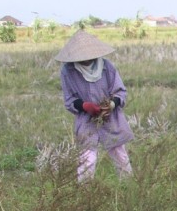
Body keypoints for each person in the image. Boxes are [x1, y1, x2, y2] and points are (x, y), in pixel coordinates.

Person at [55, 30, 134, 182]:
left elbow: (120, 92)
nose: (86, 60)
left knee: (120, 155)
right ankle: (85, 194)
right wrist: (85, 106)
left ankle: (127, 187)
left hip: (110, 118)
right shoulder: (68, 71)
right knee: (87, 158)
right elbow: (70, 99)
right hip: (86, 120)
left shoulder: (107, 67)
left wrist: (111, 105)